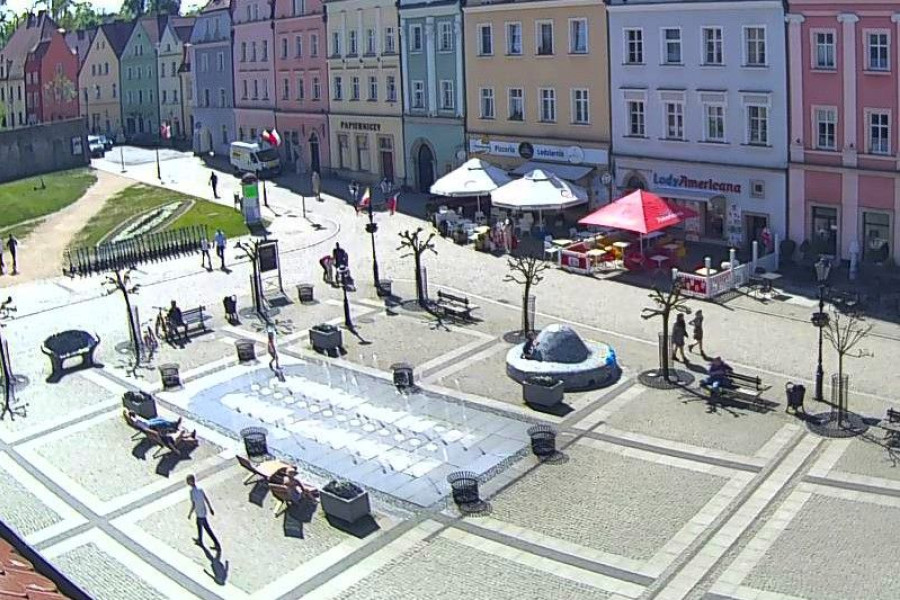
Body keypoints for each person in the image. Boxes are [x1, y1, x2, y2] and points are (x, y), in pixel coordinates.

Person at [186, 474, 220, 550]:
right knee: (200, 526)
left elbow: (193, 505)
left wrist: (190, 514)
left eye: (188, 481)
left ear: (190, 482)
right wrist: (210, 508)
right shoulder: (200, 489)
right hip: (203, 512)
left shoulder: (192, 492)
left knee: (206, 528)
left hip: (199, 513)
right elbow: (206, 499)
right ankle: (200, 540)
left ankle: (215, 544)